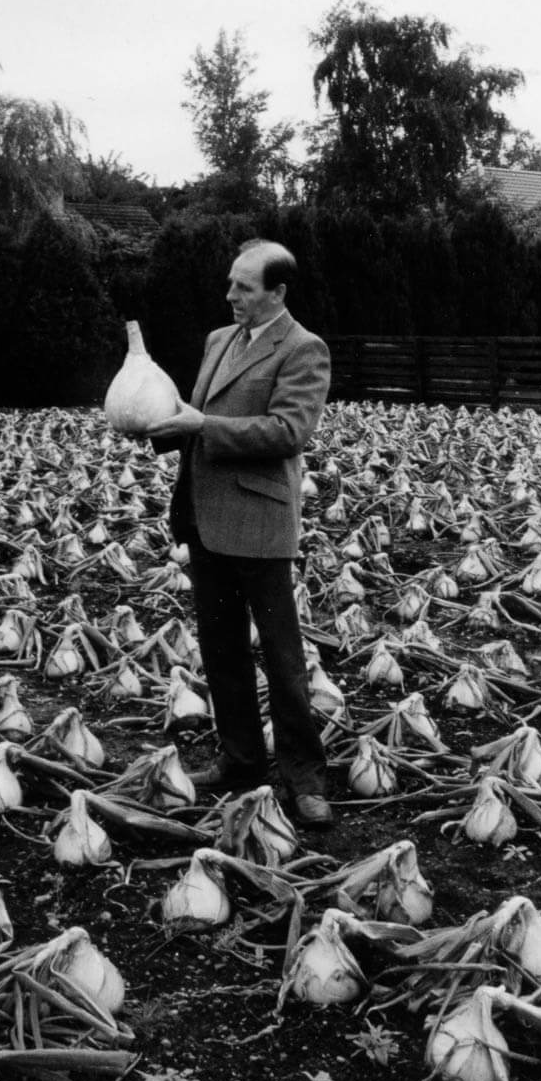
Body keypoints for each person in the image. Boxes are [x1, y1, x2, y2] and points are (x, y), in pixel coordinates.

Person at [143, 239, 333, 828]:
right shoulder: (218, 341)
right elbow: (197, 419)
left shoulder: (304, 349)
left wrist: (203, 424)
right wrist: (153, 421)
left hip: (259, 521)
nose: (231, 296)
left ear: (276, 293)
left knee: (282, 658)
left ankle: (304, 777)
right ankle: (242, 759)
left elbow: (286, 432)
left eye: (244, 288)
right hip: (205, 518)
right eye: (230, 284)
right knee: (221, 650)